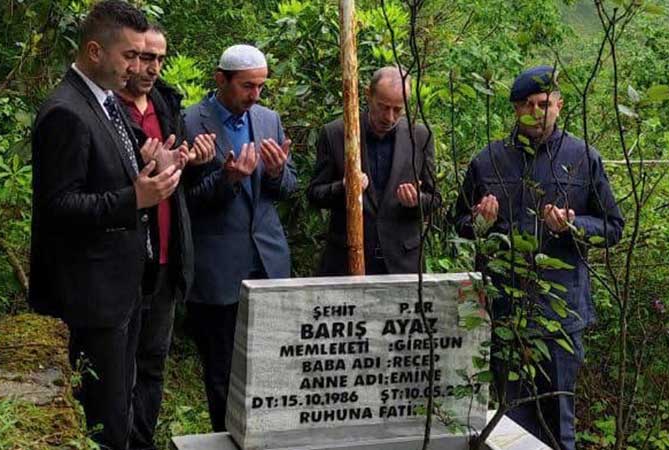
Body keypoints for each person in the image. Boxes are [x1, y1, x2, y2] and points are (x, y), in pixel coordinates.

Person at [28, 2, 185, 448]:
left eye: (143, 56)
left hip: (123, 288)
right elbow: (57, 207)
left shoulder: (104, 101)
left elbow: (109, 167)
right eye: (130, 56)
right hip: (92, 297)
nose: (139, 67)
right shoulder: (66, 111)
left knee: (123, 404)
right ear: (95, 51)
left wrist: (151, 162)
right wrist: (134, 197)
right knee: (105, 420)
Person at [454, 65, 624, 450]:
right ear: (516, 109)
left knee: (558, 423)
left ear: (559, 105)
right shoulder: (489, 160)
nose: (536, 111)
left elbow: (613, 226)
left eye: (544, 103)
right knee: (511, 425)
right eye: (528, 104)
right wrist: (481, 222)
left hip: (562, 315)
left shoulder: (583, 158)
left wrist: (573, 225)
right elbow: (458, 222)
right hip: (506, 312)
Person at [182, 44, 297, 431]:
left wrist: (279, 173)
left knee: (274, 365)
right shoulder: (190, 122)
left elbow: (288, 189)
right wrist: (227, 179)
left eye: (261, 87)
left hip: (268, 263)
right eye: (247, 86)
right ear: (221, 79)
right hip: (217, 271)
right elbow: (183, 204)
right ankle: (226, 436)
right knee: (222, 372)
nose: (255, 96)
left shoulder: (268, 120)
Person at [115, 23, 216, 450]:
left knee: (154, 361)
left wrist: (195, 165)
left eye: (158, 58)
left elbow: (180, 191)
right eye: (143, 57)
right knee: (115, 366)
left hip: (166, 257)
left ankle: (142, 442)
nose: (151, 67)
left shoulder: (165, 102)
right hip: (121, 263)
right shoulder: (106, 109)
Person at [308, 66, 440, 275]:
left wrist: (416, 201)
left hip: (403, 264)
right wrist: (344, 187)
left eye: (398, 109)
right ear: (368, 95)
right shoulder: (335, 133)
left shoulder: (420, 136)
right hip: (345, 261)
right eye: (383, 107)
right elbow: (314, 194)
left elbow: (435, 199)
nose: (389, 117)